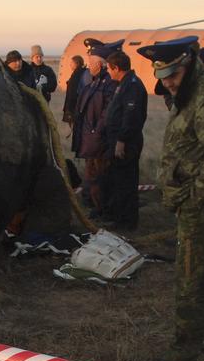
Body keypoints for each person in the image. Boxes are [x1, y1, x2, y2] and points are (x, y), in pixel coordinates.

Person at [136, 36, 204, 361]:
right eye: (162, 76)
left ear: (188, 63)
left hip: (203, 202)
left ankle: (182, 353)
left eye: (172, 75)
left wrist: (197, 195)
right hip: (192, 198)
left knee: (190, 277)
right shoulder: (188, 92)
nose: (167, 82)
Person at [98, 49, 148, 229]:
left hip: (126, 143)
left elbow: (131, 116)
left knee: (125, 182)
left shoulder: (132, 86)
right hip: (117, 140)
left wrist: (121, 140)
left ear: (116, 68)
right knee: (117, 180)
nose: (108, 72)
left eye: (109, 69)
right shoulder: (123, 84)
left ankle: (126, 221)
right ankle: (117, 215)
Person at [72, 44, 117, 215]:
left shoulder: (109, 84)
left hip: (99, 141)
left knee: (100, 176)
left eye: (91, 63)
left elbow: (107, 113)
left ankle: (102, 210)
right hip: (90, 140)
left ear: (100, 64)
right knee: (92, 174)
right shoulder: (94, 83)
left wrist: (96, 132)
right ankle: (93, 204)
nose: (88, 66)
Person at [62, 54, 86, 125]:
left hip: (74, 106)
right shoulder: (80, 73)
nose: (70, 65)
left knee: (75, 126)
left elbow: (73, 93)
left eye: (72, 63)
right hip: (76, 105)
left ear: (77, 63)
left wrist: (69, 108)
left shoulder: (77, 74)